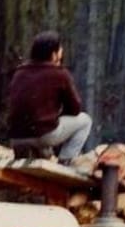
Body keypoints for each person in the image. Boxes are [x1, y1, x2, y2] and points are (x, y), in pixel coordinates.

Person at [6, 31, 93, 162]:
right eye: (60, 49)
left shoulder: (19, 72)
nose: (62, 52)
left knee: (43, 129)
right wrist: (59, 115)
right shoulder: (59, 73)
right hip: (43, 135)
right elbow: (75, 108)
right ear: (53, 54)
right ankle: (66, 162)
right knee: (85, 120)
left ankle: (42, 152)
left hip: (16, 138)